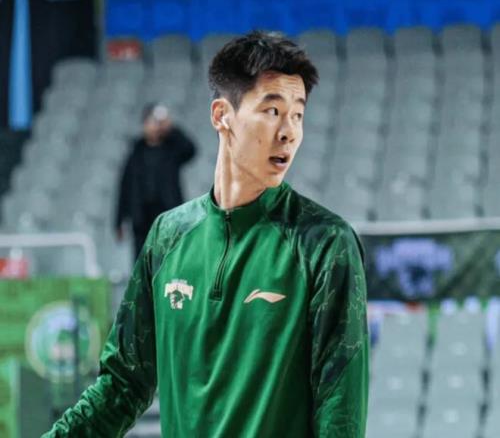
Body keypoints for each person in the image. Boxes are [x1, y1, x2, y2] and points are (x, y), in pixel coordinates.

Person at [43, 31, 369, 437]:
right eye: (272, 111)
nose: (289, 131)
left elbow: (340, 414)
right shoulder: (166, 236)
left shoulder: (325, 243)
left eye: (298, 115)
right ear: (221, 115)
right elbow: (122, 385)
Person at [115, 102, 196, 257]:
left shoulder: (172, 149)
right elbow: (125, 188)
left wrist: (171, 128)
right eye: (150, 122)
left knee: (169, 258)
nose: (154, 127)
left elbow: (191, 150)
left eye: (157, 123)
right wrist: (119, 221)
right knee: (143, 260)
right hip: (141, 219)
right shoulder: (135, 153)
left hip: (168, 216)